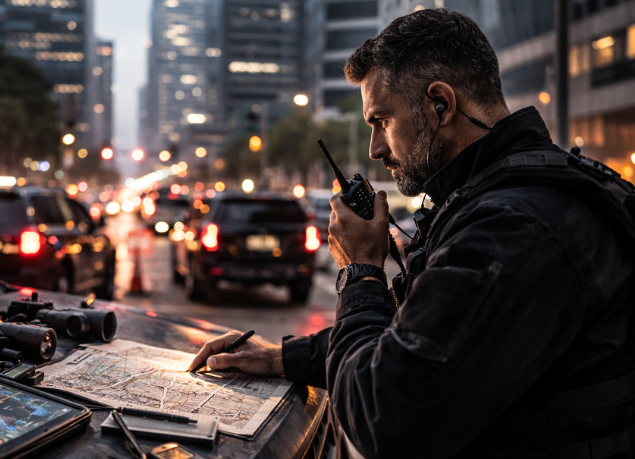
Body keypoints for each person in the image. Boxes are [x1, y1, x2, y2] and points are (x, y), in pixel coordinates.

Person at [188, 9, 635, 459]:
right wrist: (284, 358)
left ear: (441, 103)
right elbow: (422, 341)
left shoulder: (511, 227)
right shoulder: (504, 197)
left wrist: (361, 272)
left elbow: (382, 417)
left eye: (381, 121)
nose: (375, 149)